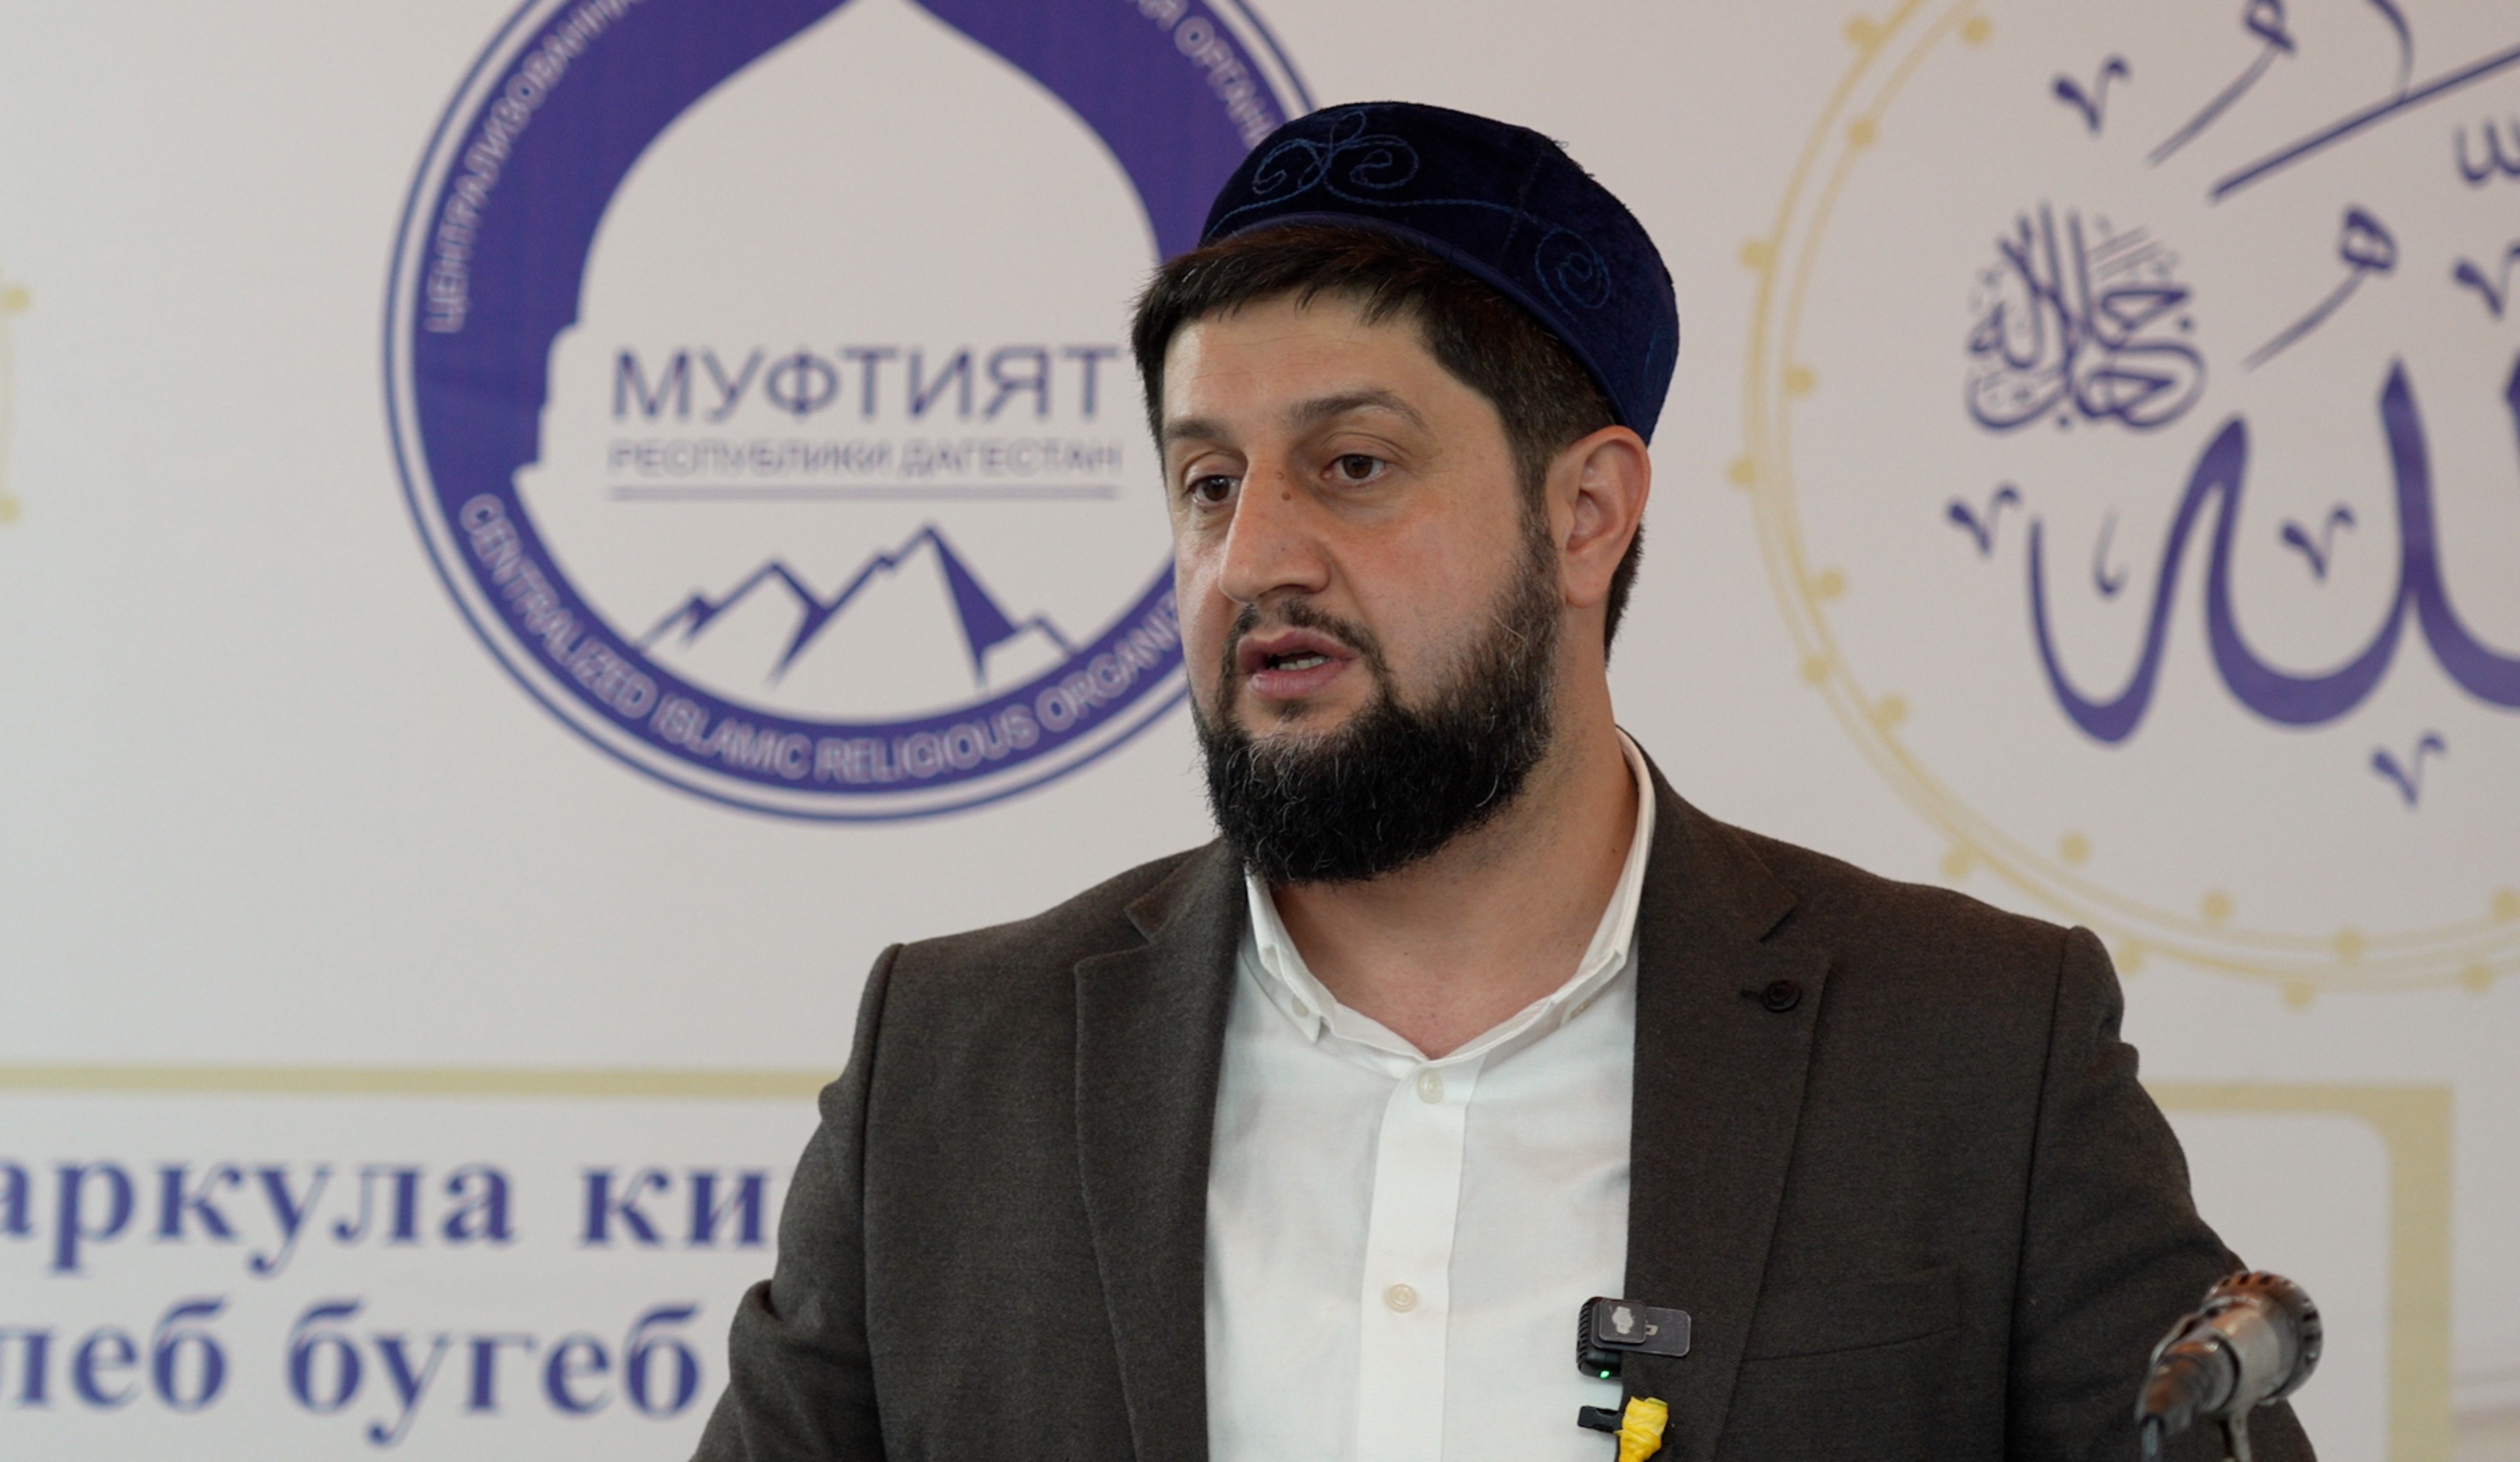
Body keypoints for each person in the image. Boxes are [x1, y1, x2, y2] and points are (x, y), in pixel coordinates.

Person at [692, 102, 2314, 1462]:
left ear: (1587, 513)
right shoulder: (955, 1067)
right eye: (1207, 483)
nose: (1252, 560)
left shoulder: (1971, 1048)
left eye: (1354, 466)